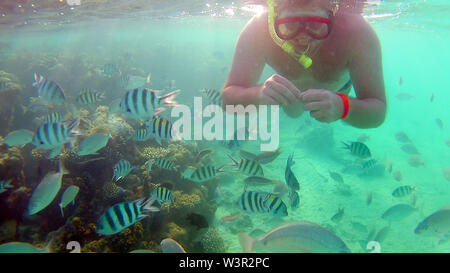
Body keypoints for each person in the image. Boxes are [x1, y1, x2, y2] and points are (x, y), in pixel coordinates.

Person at [222, 0, 386, 128]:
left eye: (315, 24)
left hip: (340, 90)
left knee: (340, 117)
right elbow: (227, 101)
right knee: (293, 112)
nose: (302, 37)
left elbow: (378, 111)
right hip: (290, 101)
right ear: (273, 18)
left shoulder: (356, 32)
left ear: (332, 13)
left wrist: (344, 107)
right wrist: (257, 95)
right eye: (290, 25)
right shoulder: (258, 30)